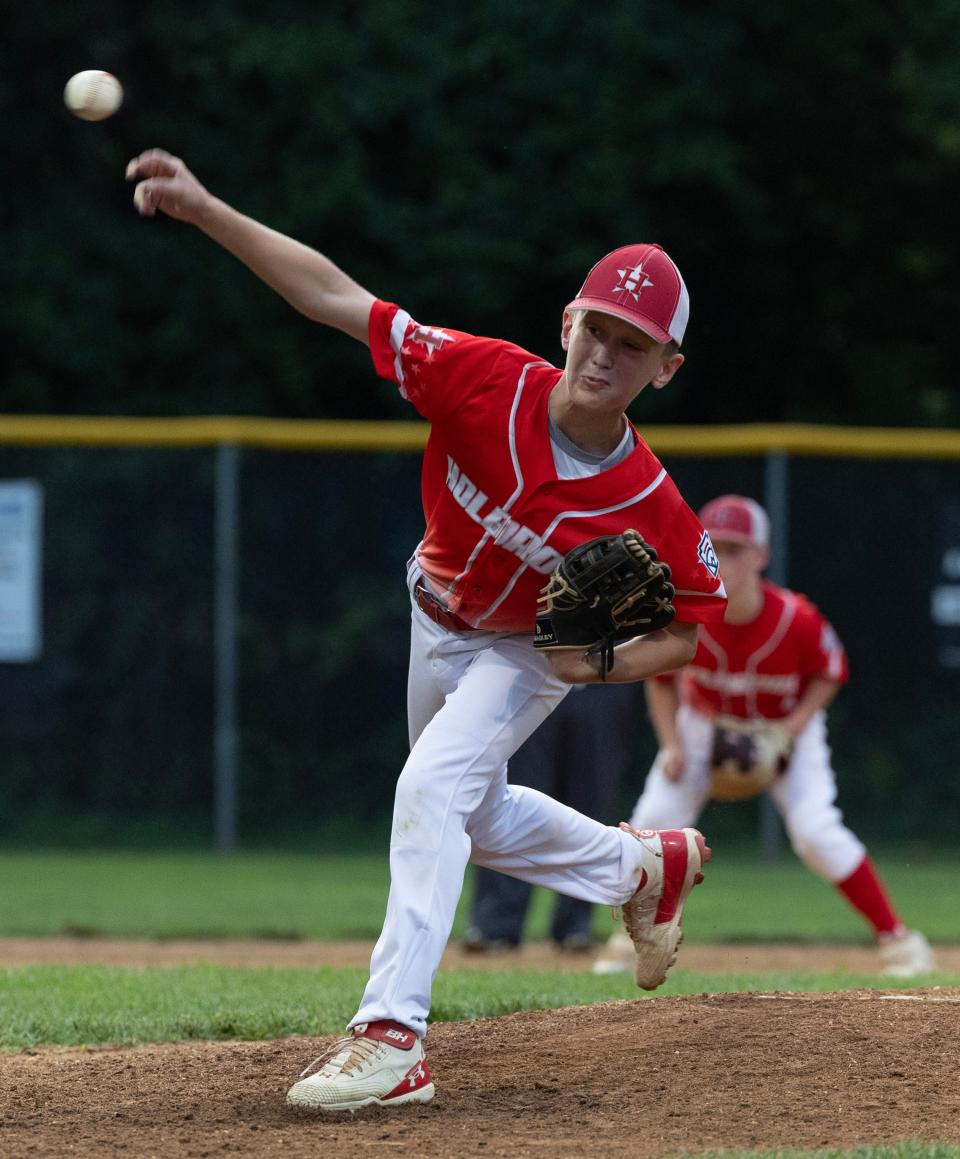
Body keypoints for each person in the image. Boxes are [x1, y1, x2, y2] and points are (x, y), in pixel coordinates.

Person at [125, 148, 728, 1111]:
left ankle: (392, 1033)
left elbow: (696, 630)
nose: (607, 354)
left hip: (527, 650)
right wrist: (205, 211)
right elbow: (334, 296)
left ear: (667, 368)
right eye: (599, 328)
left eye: (636, 344)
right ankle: (643, 866)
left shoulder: (650, 502)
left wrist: (600, 660)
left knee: (430, 784)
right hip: (431, 614)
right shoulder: (483, 378)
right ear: (567, 322)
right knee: (473, 816)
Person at [592, 494, 935, 979]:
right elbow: (661, 681)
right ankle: (626, 941)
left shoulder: (796, 618)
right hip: (703, 725)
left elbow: (830, 672)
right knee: (652, 821)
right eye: (716, 546)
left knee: (817, 831)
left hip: (785, 727)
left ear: (761, 556)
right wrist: (671, 743)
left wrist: (793, 730)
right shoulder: (686, 613)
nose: (725, 558)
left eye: (737, 549)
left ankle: (899, 940)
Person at [463, 682, 640, 953]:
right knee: (509, 800)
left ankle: (575, 927)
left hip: (602, 679)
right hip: (534, 678)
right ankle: (495, 925)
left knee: (590, 802)